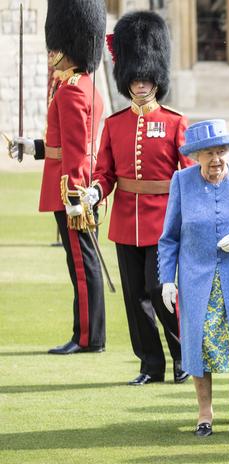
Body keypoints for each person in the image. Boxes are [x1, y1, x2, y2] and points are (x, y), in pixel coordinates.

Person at [88, 11, 191, 386]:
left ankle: (183, 356)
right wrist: (95, 191)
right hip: (124, 222)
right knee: (135, 298)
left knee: (158, 290)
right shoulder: (115, 124)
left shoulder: (176, 122)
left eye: (146, 78)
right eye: (134, 78)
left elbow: (189, 173)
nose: (140, 83)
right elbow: (105, 172)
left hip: (164, 222)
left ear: (156, 80)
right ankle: (151, 364)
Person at [158, 119, 229, 437]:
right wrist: (168, 279)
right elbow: (169, 238)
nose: (216, 160)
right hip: (196, 281)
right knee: (200, 344)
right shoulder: (181, 181)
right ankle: (204, 411)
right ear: (196, 156)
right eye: (208, 153)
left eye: (221, 151)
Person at [8, 0, 106, 354]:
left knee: (81, 263)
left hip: (72, 190)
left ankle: (87, 338)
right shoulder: (80, 86)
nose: (53, 52)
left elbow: (77, 151)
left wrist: (76, 197)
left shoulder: (72, 90)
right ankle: (88, 334)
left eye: (58, 46)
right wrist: (32, 146)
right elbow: (60, 144)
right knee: (80, 261)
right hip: (72, 186)